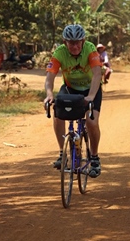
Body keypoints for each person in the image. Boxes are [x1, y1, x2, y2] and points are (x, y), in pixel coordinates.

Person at [43, 24, 103, 178]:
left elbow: (97, 74)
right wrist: (49, 94)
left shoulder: (90, 49)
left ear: (83, 41)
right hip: (70, 89)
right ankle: (62, 153)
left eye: (78, 42)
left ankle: (95, 158)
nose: (75, 46)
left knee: (91, 122)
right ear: (65, 42)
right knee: (57, 114)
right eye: (71, 43)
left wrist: (90, 96)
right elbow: (49, 78)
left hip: (91, 89)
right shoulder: (59, 53)